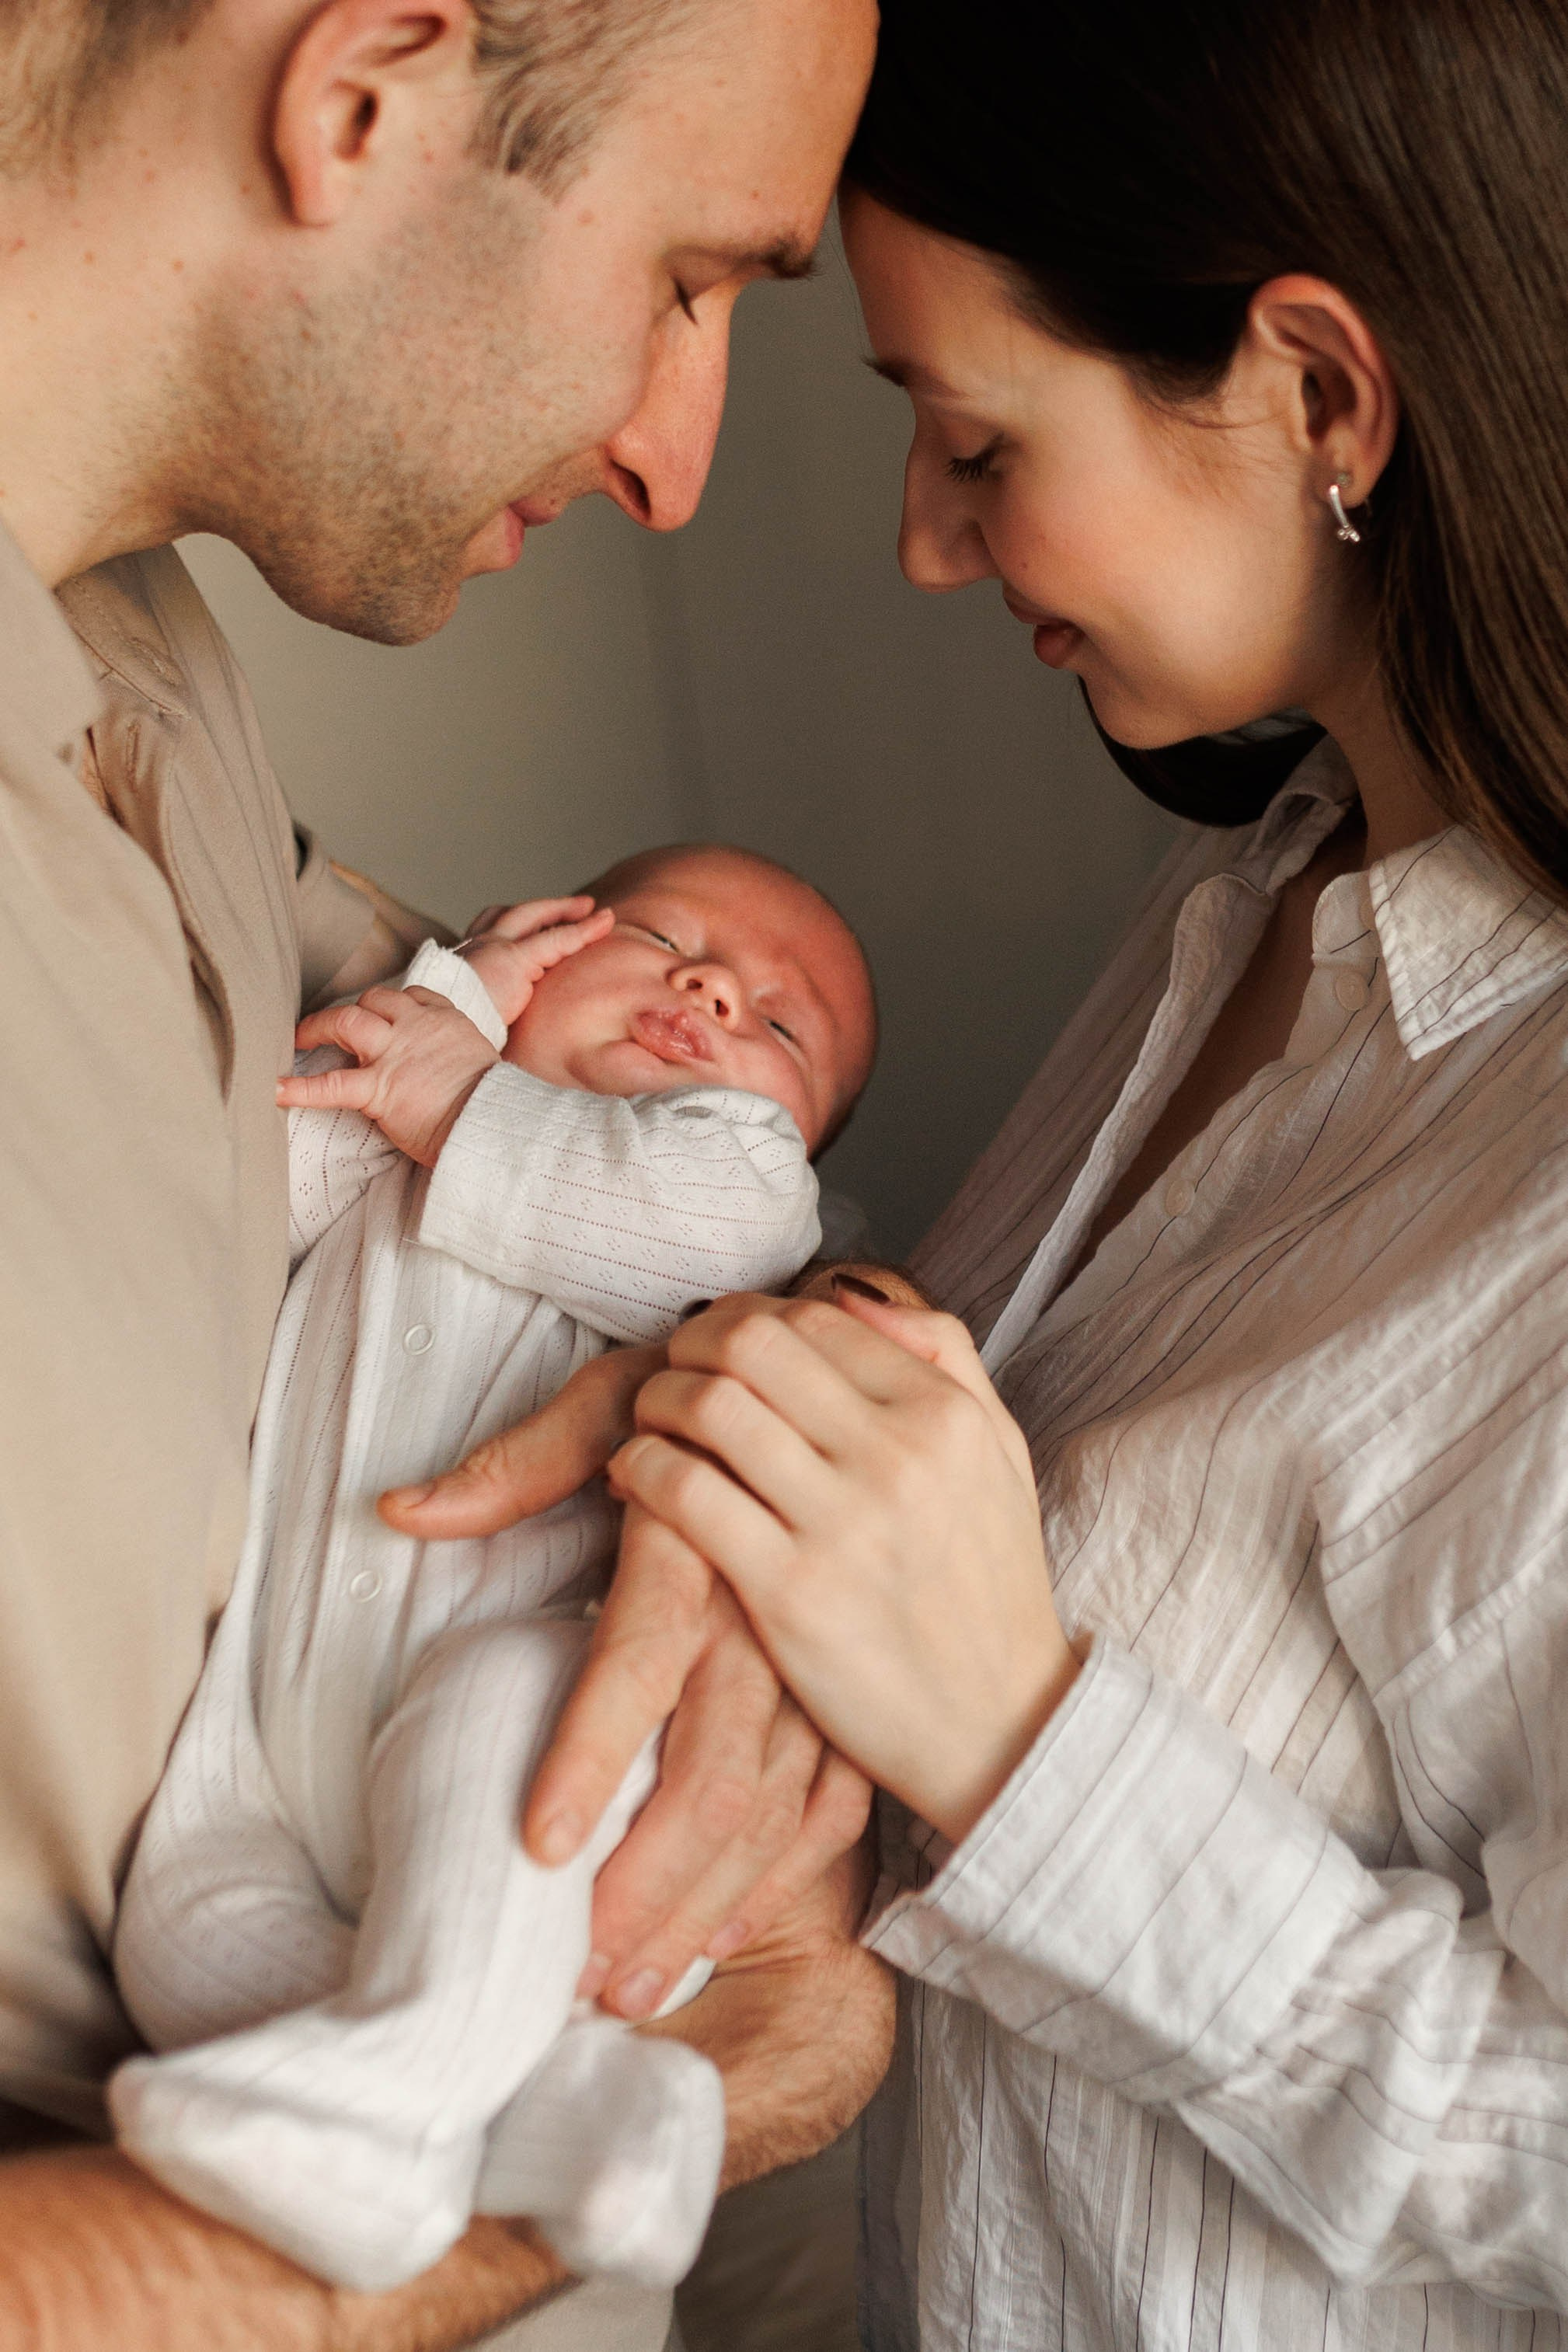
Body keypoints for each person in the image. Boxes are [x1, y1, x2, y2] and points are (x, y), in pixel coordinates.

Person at [429, 0, 1568, 2343]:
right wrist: (747, 1390)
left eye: (971, 437)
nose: (926, 546)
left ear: (1321, 394)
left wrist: (1020, 1735)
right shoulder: (1253, 903)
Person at [0, 5, 889, 2350]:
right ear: (361, 91)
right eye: (695, 279)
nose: (682, 469)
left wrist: (772, 1386)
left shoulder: (141, 662)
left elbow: (499, 1088)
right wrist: (677, 2098)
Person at [110, 847, 876, 2298]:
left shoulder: (741, 1189)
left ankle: (392, 2096)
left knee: (500, 1696)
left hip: (539, 1697)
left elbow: (711, 1228)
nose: (710, 986)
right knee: (178, 1933)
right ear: (535, 955)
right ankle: (581, 2112)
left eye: (781, 1027)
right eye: (654, 935)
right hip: (271, 1724)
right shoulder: (416, 1103)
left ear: (807, 1139)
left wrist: (465, 1095)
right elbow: (245, 1209)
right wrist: (443, 1010)